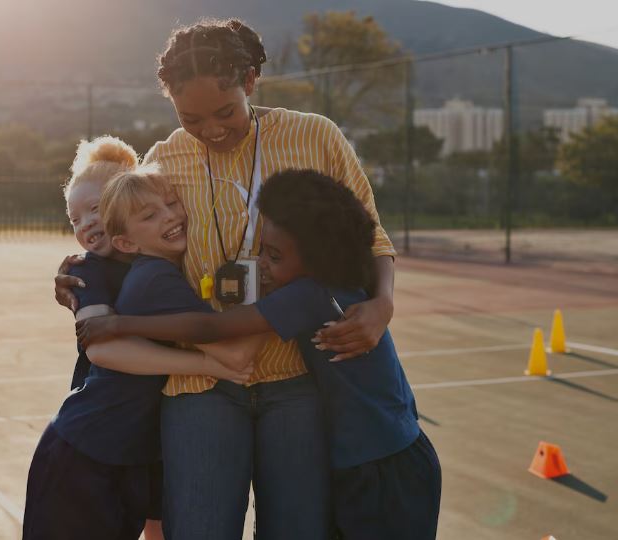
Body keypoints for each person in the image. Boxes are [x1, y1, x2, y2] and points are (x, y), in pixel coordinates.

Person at [55, 19, 397, 540]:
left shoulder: (314, 136)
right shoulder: (164, 159)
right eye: (191, 118)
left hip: (296, 377)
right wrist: (81, 271)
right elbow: (129, 240)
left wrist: (383, 304)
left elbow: (370, 237)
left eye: (225, 112)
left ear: (251, 81)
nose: (212, 129)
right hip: (199, 385)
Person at [78, 169, 442, 539]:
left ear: (315, 257)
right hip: (375, 453)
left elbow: (211, 329)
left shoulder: (308, 295)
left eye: (273, 255)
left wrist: (122, 324)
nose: (263, 264)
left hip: (384, 466)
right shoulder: (343, 278)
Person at [23, 136, 254, 540]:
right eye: (75, 218)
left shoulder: (158, 259)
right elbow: (105, 349)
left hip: (139, 441)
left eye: (97, 209)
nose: (89, 223)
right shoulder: (89, 272)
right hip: (94, 441)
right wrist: (208, 362)